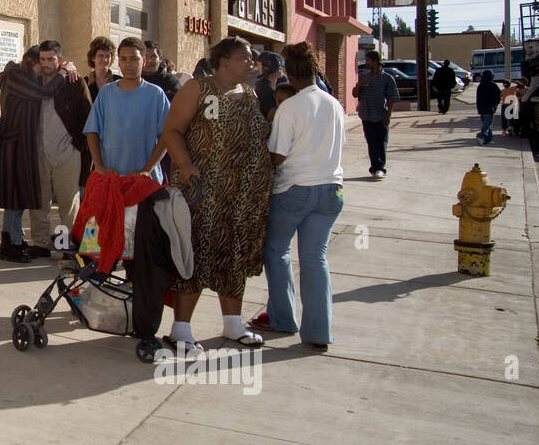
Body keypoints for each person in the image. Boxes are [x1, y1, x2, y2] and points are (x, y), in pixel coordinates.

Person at [155, 36, 272, 354]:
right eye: (243, 58)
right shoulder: (198, 88)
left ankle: (233, 323)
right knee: (195, 254)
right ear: (223, 61)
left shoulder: (248, 93)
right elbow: (171, 130)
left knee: (233, 255)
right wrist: (185, 163)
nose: (251, 63)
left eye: (251, 59)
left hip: (242, 194)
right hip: (201, 191)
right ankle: (181, 329)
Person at [252, 42, 345, 351]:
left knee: (276, 252)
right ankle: (319, 331)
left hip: (294, 190)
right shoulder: (334, 104)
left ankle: (282, 318)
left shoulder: (291, 107)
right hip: (331, 190)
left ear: (289, 74)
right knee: (315, 259)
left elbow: (277, 155)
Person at [0, 46, 79, 263]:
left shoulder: (24, 77)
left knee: (22, 198)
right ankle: (10, 244)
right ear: (30, 62)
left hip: (27, 145)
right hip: (13, 145)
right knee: (15, 199)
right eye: (40, 63)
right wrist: (64, 72)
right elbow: (43, 93)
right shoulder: (17, 76)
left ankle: (18, 240)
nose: (43, 69)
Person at [30, 40, 92, 257]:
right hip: (39, 152)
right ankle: (40, 243)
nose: (46, 63)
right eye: (43, 59)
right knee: (39, 202)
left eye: (51, 59)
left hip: (67, 153)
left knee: (69, 203)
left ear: (61, 60)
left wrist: (80, 148)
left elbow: (88, 117)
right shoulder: (34, 82)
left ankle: (68, 244)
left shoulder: (74, 82)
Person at [84, 37, 170, 183]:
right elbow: (92, 131)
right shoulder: (106, 93)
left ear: (144, 60)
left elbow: (167, 136)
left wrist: (147, 169)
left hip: (145, 181)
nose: (128, 64)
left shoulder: (156, 95)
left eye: (134, 59)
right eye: (123, 59)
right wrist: (99, 166)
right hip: (111, 179)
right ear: (118, 62)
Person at [352, 50, 400, 179]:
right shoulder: (363, 76)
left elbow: (392, 98)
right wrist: (359, 86)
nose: (366, 63)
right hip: (366, 115)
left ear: (376, 61)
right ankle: (375, 168)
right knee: (371, 143)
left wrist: (388, 115)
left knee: (381, 143)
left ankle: (380, 168)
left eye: (368, 60)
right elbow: (355, 94)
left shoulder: (387, 79)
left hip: (380, 115)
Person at [253, 51, 288, 121]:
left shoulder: (262, 84)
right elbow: (270, 116)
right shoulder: (268, 89)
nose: (282, 70)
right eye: (281, 67)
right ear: (278, 69)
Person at [85, 36, 119, 102]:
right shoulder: (85, 83)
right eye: (101, 56)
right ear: (93, 58)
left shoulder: (119, 81)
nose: (105, 59)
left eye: (107, 56)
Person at [476, 70, 499, 145]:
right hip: (490, 108)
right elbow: (498, 97)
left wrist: (478, 107)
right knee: (488, 123)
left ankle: (488, 138)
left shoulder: (480, 85)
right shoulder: (493, 85)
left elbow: (478, 98)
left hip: (481, 108)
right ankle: (481, 135)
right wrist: (495, 105)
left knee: (486, 123)